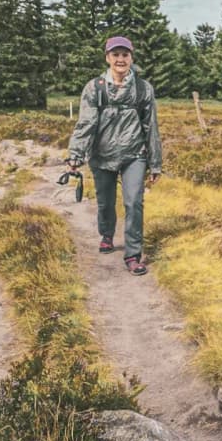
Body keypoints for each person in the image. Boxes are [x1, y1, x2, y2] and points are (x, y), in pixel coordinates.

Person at [66, 35, 163, 276]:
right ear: (107, 58)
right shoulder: (94, 88)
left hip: (134, 154)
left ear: (131, 58)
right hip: (101, 154)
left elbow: (151, 127)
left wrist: (155, 163)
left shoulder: (143, 88)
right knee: (105, 201)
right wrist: (75, 154)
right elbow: (85, 123)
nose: (120, 59)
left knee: (134, 202)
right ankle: (107, 235)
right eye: (115, 54)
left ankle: (132, 255)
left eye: (125, 54)